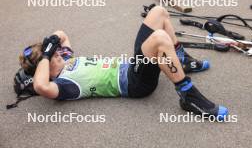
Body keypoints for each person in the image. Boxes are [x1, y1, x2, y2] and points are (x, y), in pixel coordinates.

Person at [16, 6, 228, 120]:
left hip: (133, 66)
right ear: (44, 70)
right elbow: (40, 86)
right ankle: (188, 97)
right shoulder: (62, 86)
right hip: (135, 84)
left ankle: (182, 61)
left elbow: (61, 34)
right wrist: (45, 55)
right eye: (52, 57)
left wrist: (49, 44)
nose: (57, 55)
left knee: (158, 12)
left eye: (55, 53)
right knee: (159, 37)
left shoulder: (66, 58)